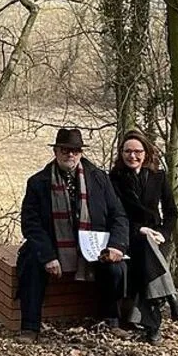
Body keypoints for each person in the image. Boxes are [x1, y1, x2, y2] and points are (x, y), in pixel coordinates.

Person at [16, 127, 129, 343]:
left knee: (117, 268)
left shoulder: (99, 179)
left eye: (75, 151)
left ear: (81, 153)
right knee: (31, 262)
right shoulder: (38, 182)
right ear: (56, 152)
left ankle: (111, 320)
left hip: (93, 246)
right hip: (53, 244)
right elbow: (30, 224)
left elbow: (119, 216)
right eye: (66, 150)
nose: (71, 155)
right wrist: (48, 255)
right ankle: (29, 327)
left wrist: (116, 246)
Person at [109, 131, 178, 344]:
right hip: (129, 235)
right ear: (121, 154)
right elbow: (113, 214)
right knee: (145, 253)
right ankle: (169, 300)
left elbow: (171, 212)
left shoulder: (159, 177)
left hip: (156, 236)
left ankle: (154, 324)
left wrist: (164, 234)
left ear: (146, 153)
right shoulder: (114, 179)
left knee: (148, 256)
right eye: (128, 151)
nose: (132, 156)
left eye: (137, 151)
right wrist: (140, 230)